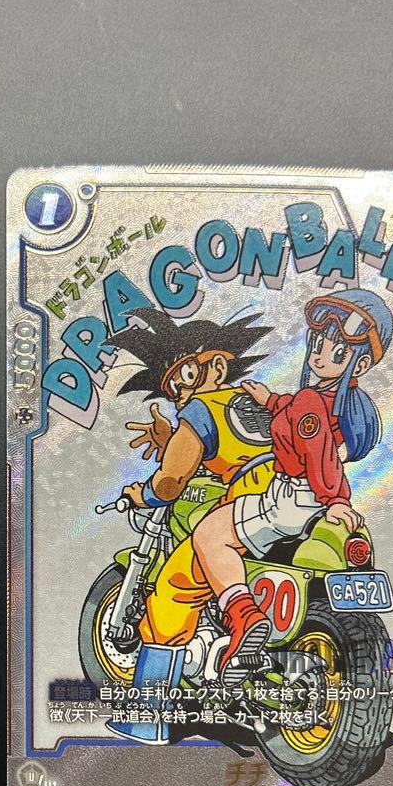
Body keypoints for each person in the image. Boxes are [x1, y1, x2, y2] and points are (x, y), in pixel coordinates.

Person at [189, 288, 391, 685]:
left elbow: (319, 452)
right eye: (318, 345)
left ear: (361, 362)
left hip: (293, 500)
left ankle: (243, 617)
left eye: (338, 352)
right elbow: (305, 419)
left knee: (209, 535)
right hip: (314, 502)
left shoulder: (310, 402)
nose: (321, 355)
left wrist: (335, 498)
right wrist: (270, 400)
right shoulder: (340, 400)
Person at [105, 308, 276, 740]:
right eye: (172, 388)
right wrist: (175, 442)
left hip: (245, 506)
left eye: (185, 374)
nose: (180, 392)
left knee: (172, 593)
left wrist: (142, 493)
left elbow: (171, 483)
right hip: (298, 504)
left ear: (217, 366)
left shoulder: (201, 410)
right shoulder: (262, 401)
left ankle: (145, 720)